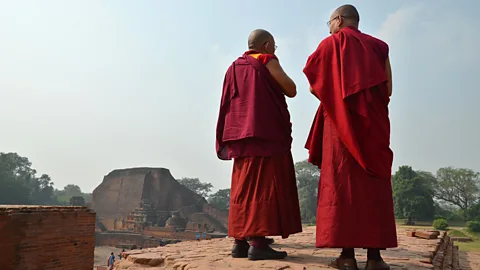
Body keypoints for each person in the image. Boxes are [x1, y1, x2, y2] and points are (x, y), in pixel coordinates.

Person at [303, 5, 397, 270]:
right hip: (374, 125)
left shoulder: (329, 44)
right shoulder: (380, 47)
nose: (329, 27)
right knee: (373, 186)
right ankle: (375, 259)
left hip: (339, 126)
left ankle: (347, 257)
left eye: (329, 22)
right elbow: (388, 87)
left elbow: (313, 87)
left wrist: (338, 100)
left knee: (343, 185)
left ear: (339, 20)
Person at [216, 29, 302, 261]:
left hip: (239, 136)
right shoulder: (266, 60)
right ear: (266, 45)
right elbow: (291, 89)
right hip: (264, 134)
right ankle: (258, 243)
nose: (275, 50)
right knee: (263, 187)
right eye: (274, 45)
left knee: (242, 187)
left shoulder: (233, 67)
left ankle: (239, 242)